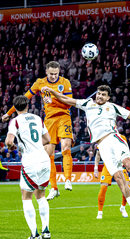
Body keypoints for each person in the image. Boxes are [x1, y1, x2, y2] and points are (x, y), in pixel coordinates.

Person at [41, 85, 130, 223]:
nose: (99, 96)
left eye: (103, 95)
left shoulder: (113, 107)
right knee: (118, 179)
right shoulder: (88, 103)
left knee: (128, 164)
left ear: (108, 97)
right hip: (102, 146)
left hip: (114, 138)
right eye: (98, 93)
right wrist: (51, 91)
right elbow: (66, 99)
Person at [2, 61, 74, 201]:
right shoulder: (39, 83)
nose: (54, 76)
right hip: (49, 120)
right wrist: (9, 113)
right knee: (49, 154)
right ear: (46, 72)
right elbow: (23, 99)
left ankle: (68, 179)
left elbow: (69, 103)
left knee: (66, 147)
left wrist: (52, 100)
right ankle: (54, 188)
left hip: (64, 117)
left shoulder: (65, 82)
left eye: (56, 74)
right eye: (51, 74)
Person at [5, 96, 51, 239]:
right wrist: (35, 144)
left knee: (26, 197)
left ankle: (35, 234)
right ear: (28, 105)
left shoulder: (15, 121)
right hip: (44, 159)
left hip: (30, 162)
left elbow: (9, 141)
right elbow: (48, 139)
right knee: (41, 196)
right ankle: (46, 230)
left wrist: (11, 146)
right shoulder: (38, 118)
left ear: (14, 107)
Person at [94, 135, 130, 219]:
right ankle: (100, 212)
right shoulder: (102, 138)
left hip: (120, 166)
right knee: (103, 188)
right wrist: (96, 168)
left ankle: (123, 208)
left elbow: (127, 152)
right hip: (107, 166)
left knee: (127, 187)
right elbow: (98, 155)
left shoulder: (122, 138)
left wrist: (129, 165)